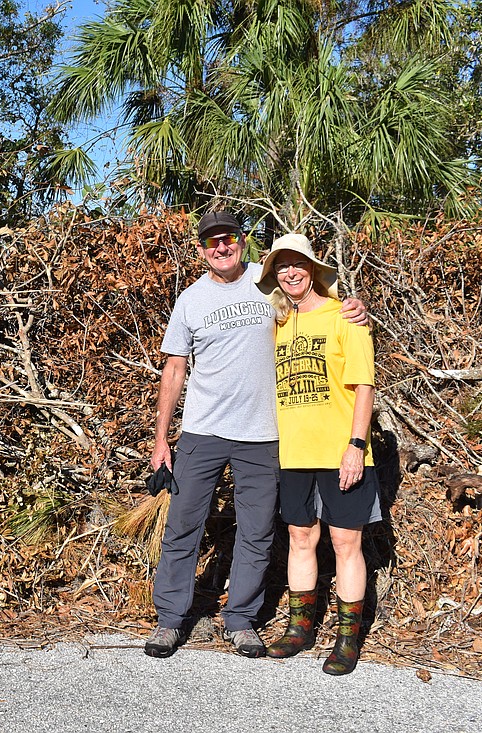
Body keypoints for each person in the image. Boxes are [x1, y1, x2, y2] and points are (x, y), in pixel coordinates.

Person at [145, 213, 367, 659]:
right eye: (210, 242)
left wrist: (354, 305)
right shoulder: (190, 299)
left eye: (227, 239)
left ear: (243, 242)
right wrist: (161, 438)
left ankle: (241, 620)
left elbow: (317, 303)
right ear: (201, 248)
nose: (220, 248)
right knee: (183, 525)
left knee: (256, 531)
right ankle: (169, 620)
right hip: (202, 432)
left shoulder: (269, 285)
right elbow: (174, 369)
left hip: (265, 436)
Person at [253, 232, 379, 676]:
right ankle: (300, 628)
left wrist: (356, 446)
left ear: (313, 269)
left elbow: (365, 385)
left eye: (297, 263)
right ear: (274, 275)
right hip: (293, 453)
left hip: (341, 450)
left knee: (346, 542)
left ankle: (348, 638)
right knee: (300, 537)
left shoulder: (346, 316)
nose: (290, 272)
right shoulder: (277, 323)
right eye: (281, 266)